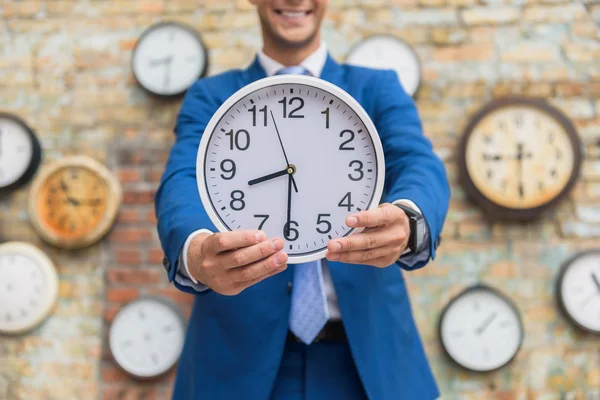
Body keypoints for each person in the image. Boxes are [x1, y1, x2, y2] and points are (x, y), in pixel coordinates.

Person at [155, 0, 450, 398]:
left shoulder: (376, 88)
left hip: (368, 366)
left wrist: (408, 218)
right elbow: (182, 182)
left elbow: (417, 162)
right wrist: (195, 252)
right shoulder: (210, 97)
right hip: (237, 367)